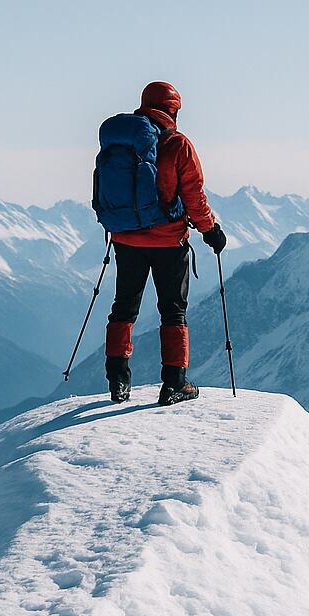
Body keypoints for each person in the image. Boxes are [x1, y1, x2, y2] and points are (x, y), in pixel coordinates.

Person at [103, 81, 226, 405]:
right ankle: (174, 383)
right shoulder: (178, 144)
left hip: (126, 238)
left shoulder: (124, 143)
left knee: (124, 307)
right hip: (169, 241)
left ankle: (118, 380)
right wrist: (210, 230)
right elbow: (193, 196)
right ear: (173, 109)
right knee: (173, 312)